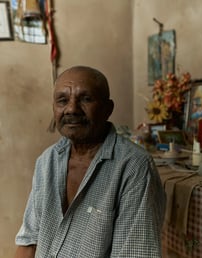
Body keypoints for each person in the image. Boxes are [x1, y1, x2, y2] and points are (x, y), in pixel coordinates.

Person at [14, 66, 166, 258]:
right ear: (54, 108)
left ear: (108, 109)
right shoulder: (46, 162)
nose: (71, 109)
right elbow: (29, 242)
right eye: (62, 100)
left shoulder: (134, 166)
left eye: (85, 99)